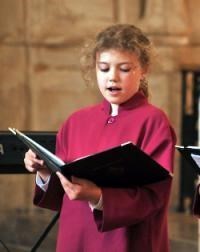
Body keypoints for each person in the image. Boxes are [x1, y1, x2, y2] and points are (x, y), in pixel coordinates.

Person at [24, 24, 176, 252]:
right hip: (76, 238)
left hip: (127, 242)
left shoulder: (154, 121)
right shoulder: (75, 121)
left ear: (144, 69)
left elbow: (154, 197)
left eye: (124, 69)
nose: (112, 78)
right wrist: (44, 171)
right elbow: (61, 194)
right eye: (103, 68)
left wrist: (98, 196)